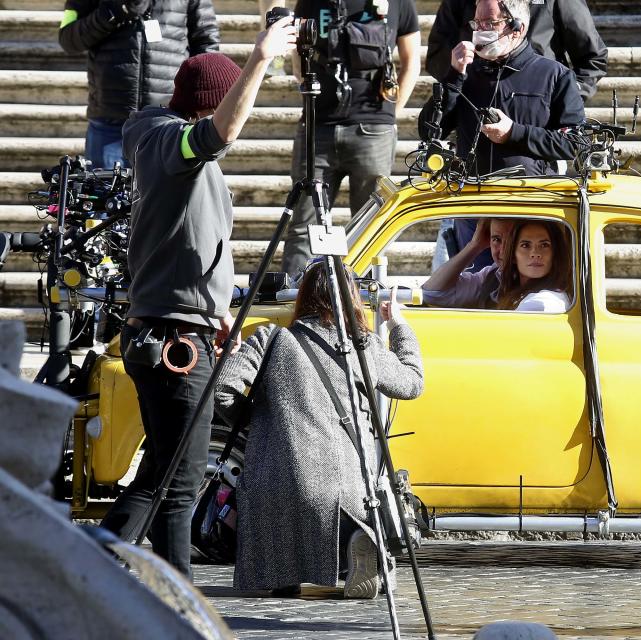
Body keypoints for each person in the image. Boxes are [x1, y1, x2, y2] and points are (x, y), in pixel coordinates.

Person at [99, 20, 298, 578]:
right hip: (174, 343)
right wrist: (259, 60)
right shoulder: (174, 148)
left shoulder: (153, 133)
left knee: (157, 478)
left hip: (166, 329)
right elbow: (220, 133)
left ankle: (93, 572)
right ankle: (178, 604)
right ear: (207, 106)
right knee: (181, 487)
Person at [215, 264, 424, 598]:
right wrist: (399, 326)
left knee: (271, 563)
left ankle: (281, 577)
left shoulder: (269, 339)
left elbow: (222, 389)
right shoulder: (361, 346)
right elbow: (413, 383)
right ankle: (362, 547)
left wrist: (264, 425)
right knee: (352, 519)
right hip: (342, 492)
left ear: (302, 296)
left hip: (273, 487)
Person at [418, 0, 585, 272]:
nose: (480, 30)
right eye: (477, 23)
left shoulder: (554, 75)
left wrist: (514, 133)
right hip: (475, 212)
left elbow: (576, 143)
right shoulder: (464, 73)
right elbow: (428, 130)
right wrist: (452, 78)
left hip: (529, 211)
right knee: (476, 300)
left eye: (490, 24)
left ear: (517, 28)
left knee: (522, 301)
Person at [280, 0, 421, 278]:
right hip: (318, 126)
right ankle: (297, 298)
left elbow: (411, 61)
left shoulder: (398, 3)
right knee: (305, 225)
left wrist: (392, 112)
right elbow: (299, 56)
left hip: (369, 127)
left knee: (367, 226)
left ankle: (360, 305)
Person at [58, 0, 220, 169]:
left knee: (164, 195)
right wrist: (114, 11)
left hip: (168, 121)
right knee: (103, 193)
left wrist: (199, 102)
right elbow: (67, 39)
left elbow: (206, 43)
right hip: (110, 121)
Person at [426, 0, 608, 102]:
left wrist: (566, 97)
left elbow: (592, 57)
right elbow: (437, 53)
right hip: (477, 112)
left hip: (538, 111)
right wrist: (460, 83)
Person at [422, 218, 516, 309]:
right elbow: (432, 293)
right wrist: (475, 245)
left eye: (513, 240)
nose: (503, 251)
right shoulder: (494, 276)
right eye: (497, 239)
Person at [496, 219, 571, 312]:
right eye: (525, 245)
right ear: (513, 256)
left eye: (544, 245)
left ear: (555, 254)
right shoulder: (516, 293)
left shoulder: (544, 302)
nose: (535, 253)